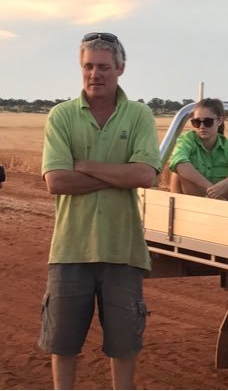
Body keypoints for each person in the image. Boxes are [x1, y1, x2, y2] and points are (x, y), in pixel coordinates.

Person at [39, 32, 161, 389]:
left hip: (123, 250)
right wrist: (118, 176)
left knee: (124, 345)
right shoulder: (61, 116)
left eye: (104, 67)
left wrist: (85, 165)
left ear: (120, 69)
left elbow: (144, 175)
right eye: (89, 66)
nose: (96, 74)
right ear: (81, 68)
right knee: (63, 344)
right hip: (70, 248)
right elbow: (56, 182)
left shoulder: (139, 114)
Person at [169, 98, 228, 204]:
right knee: (177, 174)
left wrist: (226, 184)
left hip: (218, 195)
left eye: (207, 122)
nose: (202, 127)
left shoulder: (227, 146)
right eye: (196, 122)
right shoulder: (187, 140)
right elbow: (179, 163)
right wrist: (211, 188)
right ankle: (175, 214)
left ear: (219, 121)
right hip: (192, 196)